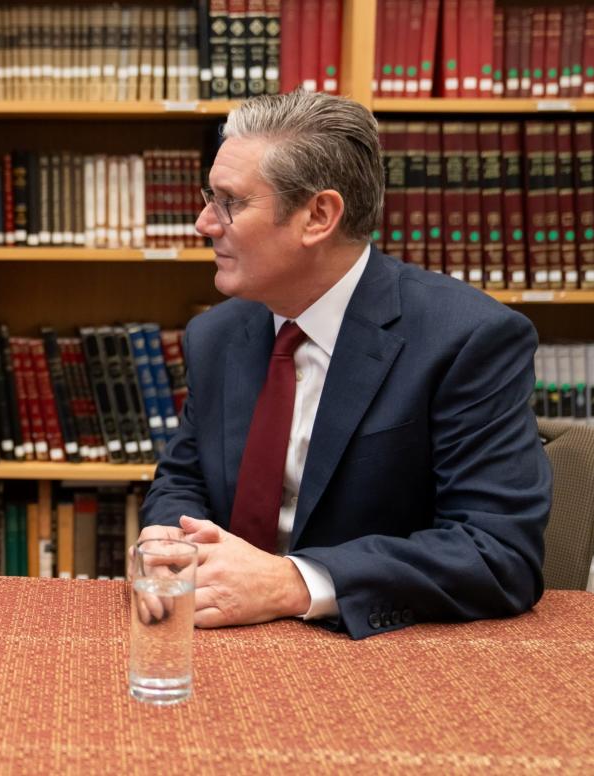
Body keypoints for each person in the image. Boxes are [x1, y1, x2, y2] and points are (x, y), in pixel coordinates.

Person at [139, 91, 550, 639]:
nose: (203, 223)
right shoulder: (216, 336)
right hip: (219, 638)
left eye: (230, 202)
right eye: (208, 198)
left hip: (383, 657)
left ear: (318, 216)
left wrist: (294, 582)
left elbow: (498, 553)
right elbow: (183, 477)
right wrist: (169, 541)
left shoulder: (466, 339)